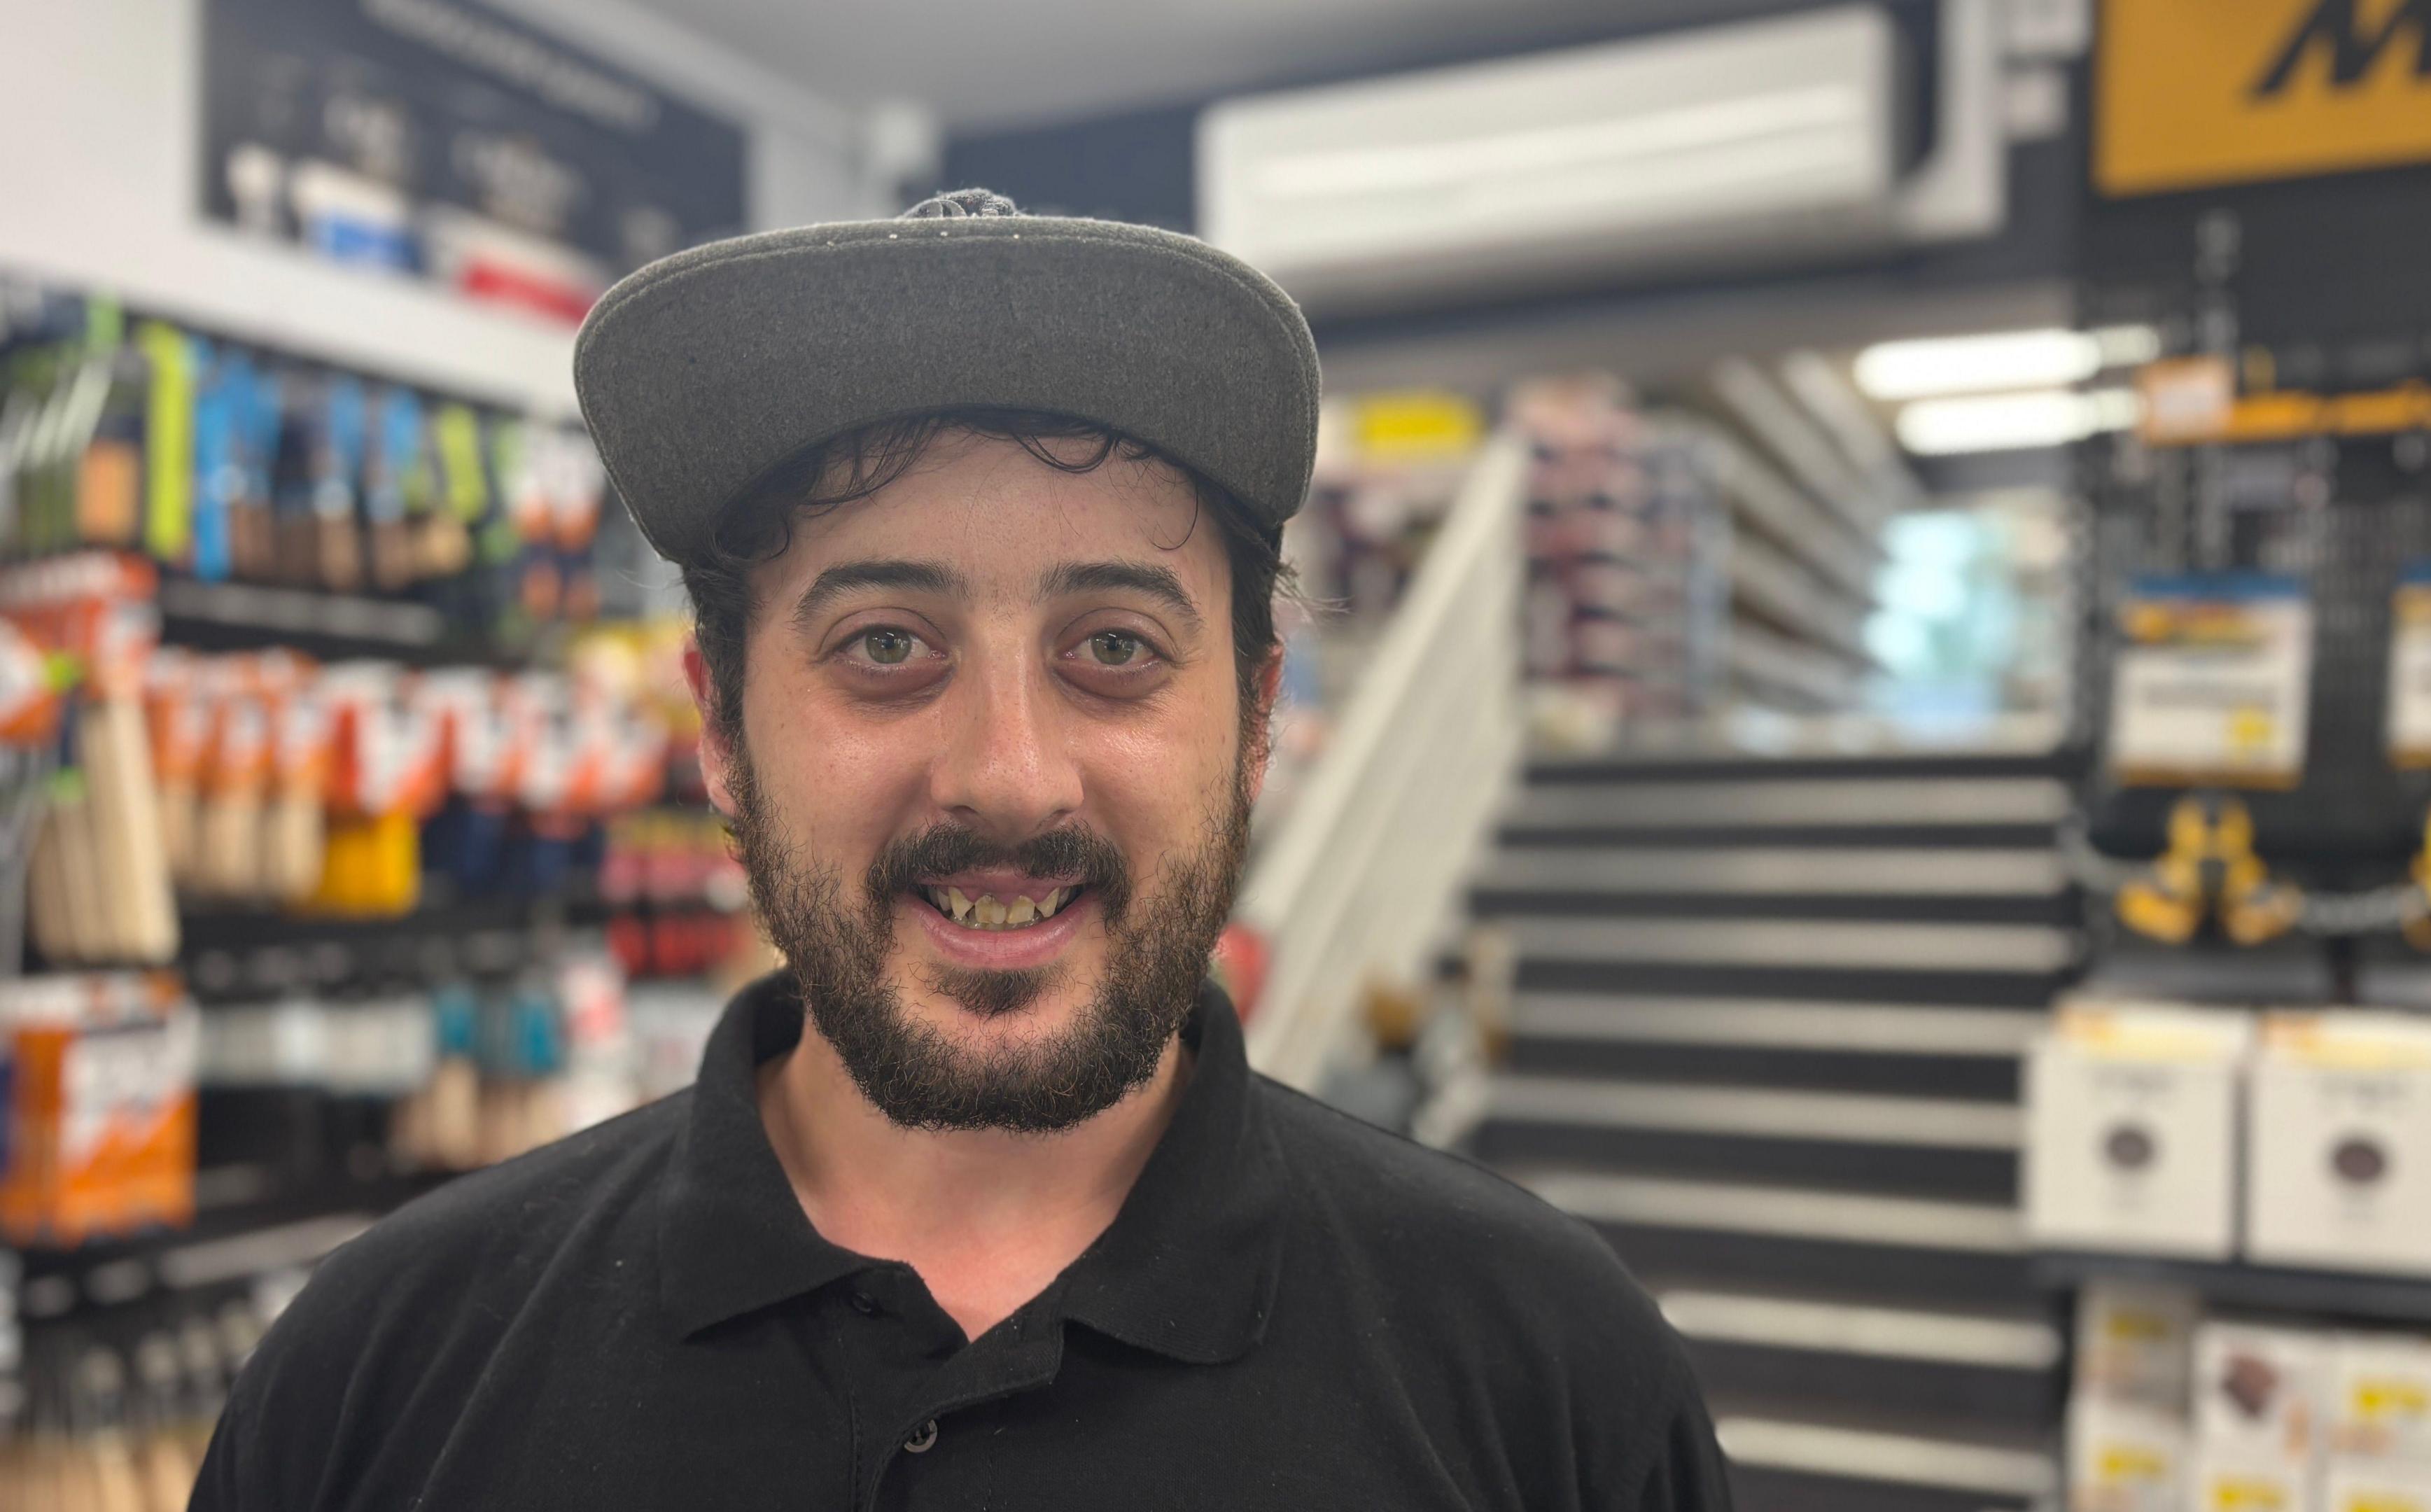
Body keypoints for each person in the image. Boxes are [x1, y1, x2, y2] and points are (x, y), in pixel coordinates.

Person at [190, 190, 1728, 1511]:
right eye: (883, 645)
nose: (1009, 774)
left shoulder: (1553, 1386)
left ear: (1254, 723)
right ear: (721, 728)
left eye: (1114, 644)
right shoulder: (376, 1377)